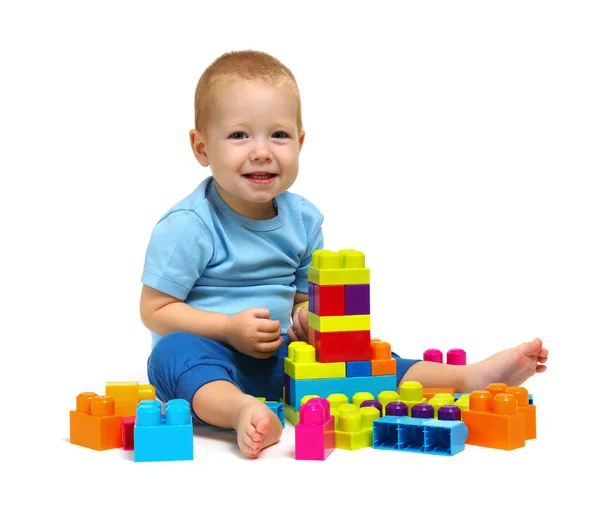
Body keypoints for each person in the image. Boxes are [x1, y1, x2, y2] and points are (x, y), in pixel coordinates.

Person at [139, 50, 549, 459]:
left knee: (358, 357)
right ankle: (241, 410)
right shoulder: (189, 225)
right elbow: (155, 309)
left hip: (279, 357)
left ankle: (466, 376)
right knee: (173, 354)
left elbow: (303, 297)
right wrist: (228, 329)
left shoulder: (303, 220)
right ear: (201, 147)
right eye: (239, 135)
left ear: (300, 142)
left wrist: (306, 319)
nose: (261, 151)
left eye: (278, 135)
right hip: (206, 356)